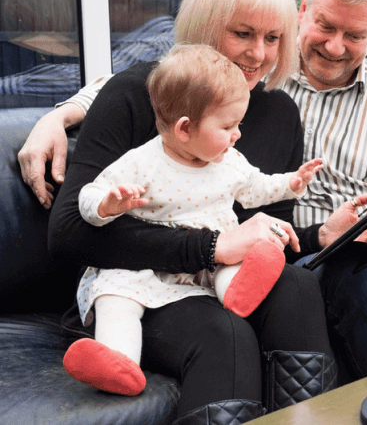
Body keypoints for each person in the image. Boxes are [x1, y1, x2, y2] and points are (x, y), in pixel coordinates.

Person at [18, 0, 367, 381]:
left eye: (355, 35)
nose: (334, 46)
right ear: (303, 12)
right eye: (324, 26)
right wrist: (57, 116)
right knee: (357, 276)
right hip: (323, 254)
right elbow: (156, 84)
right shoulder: (248, 83)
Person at [25, 0, 343, 425]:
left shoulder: (279, 114)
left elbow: (263, 229)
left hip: (219, 283)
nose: (259, 54)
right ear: (204, 22)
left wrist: (319, 235)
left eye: (273, 38)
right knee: (225, 335)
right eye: (242, 33)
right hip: (132, 290)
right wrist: (212, 247)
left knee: (298, 286)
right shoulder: (135, 95)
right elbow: (69, 233)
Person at [63, 44, 324, 397]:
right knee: (115, 299)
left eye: (238, 124)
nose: (238, 135)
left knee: (233, 262)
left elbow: (255, 187)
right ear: (185, 128)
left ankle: (239, 294)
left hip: (211, 260)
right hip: (145, 269)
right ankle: (117, 362)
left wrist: (291, 183)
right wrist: (109, 205)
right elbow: (87, 198)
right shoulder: (142, 162)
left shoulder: (228, 160)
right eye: (229, 125)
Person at [1, 0, 173, 108]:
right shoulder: (168, 38)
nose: (95, 13)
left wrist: (6, 85)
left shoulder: (154, 47)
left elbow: (92, 80)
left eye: (104, 3)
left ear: (126, 2)